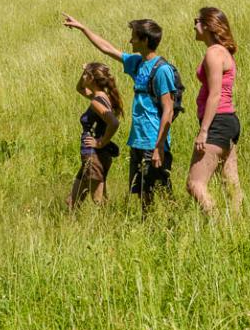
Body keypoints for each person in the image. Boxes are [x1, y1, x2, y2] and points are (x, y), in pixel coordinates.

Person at [63, 14, 176, 212]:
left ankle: (174, 223)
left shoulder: (162, 70)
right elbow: (107, 48)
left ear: (145, 40)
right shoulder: (137, 63)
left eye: (134, 37)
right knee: (143, 192)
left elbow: (168, 109)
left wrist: (159, 147)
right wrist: (83, 28)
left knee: (162, 189)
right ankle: (148, 227)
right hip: (138, 140)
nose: (130, 40)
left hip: (153, 140)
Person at [186, 7, 242, 215]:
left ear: (208, 25)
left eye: (197, 21)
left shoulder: (214, 53)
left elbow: (215, 95)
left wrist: (204, 130)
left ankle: (217, 222)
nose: (194, 25)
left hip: (218, 122)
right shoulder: (222, 52)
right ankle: (237, 227)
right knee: (230, 181)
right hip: (228, 122)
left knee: (195, 184)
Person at [67, 62, 123, 209]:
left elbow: (114, 123)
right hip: (93, 156)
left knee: (99, 201)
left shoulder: (96, 102)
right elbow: (80, 88)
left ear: (92, 79)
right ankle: (71, 228)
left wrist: (100, 142)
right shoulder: (102, 96)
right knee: (72, 202)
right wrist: (85, 71)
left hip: (94, 156)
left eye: (86, 75)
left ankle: (112, 226)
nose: (83, 76)